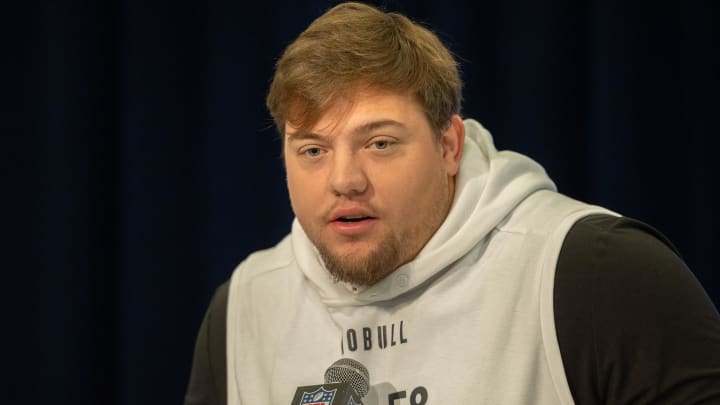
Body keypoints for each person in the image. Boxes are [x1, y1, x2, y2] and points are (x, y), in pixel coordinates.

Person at [184, 2, 720, 404]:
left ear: (449, 146)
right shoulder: (243, 309)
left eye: (380, 143)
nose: (344, 180)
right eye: (313, 149)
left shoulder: (598, 272)